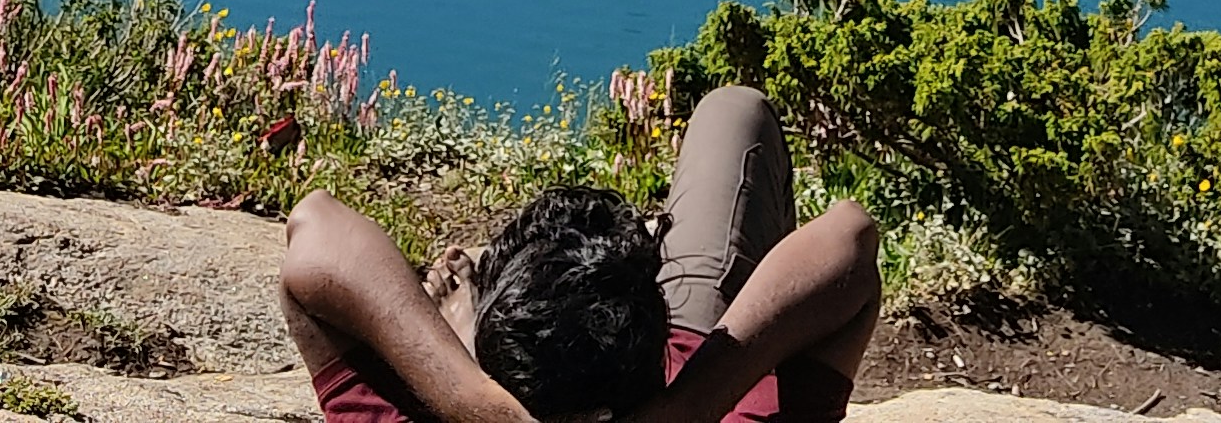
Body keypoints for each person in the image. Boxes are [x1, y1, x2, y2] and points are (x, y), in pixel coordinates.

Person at [282, 86, 880, 423]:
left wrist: (468, 390)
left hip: (623, 370)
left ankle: (503, 321)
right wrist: (690, 404)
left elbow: (315, 224)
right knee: (734, 110)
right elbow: (850, 237)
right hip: (695, 352)